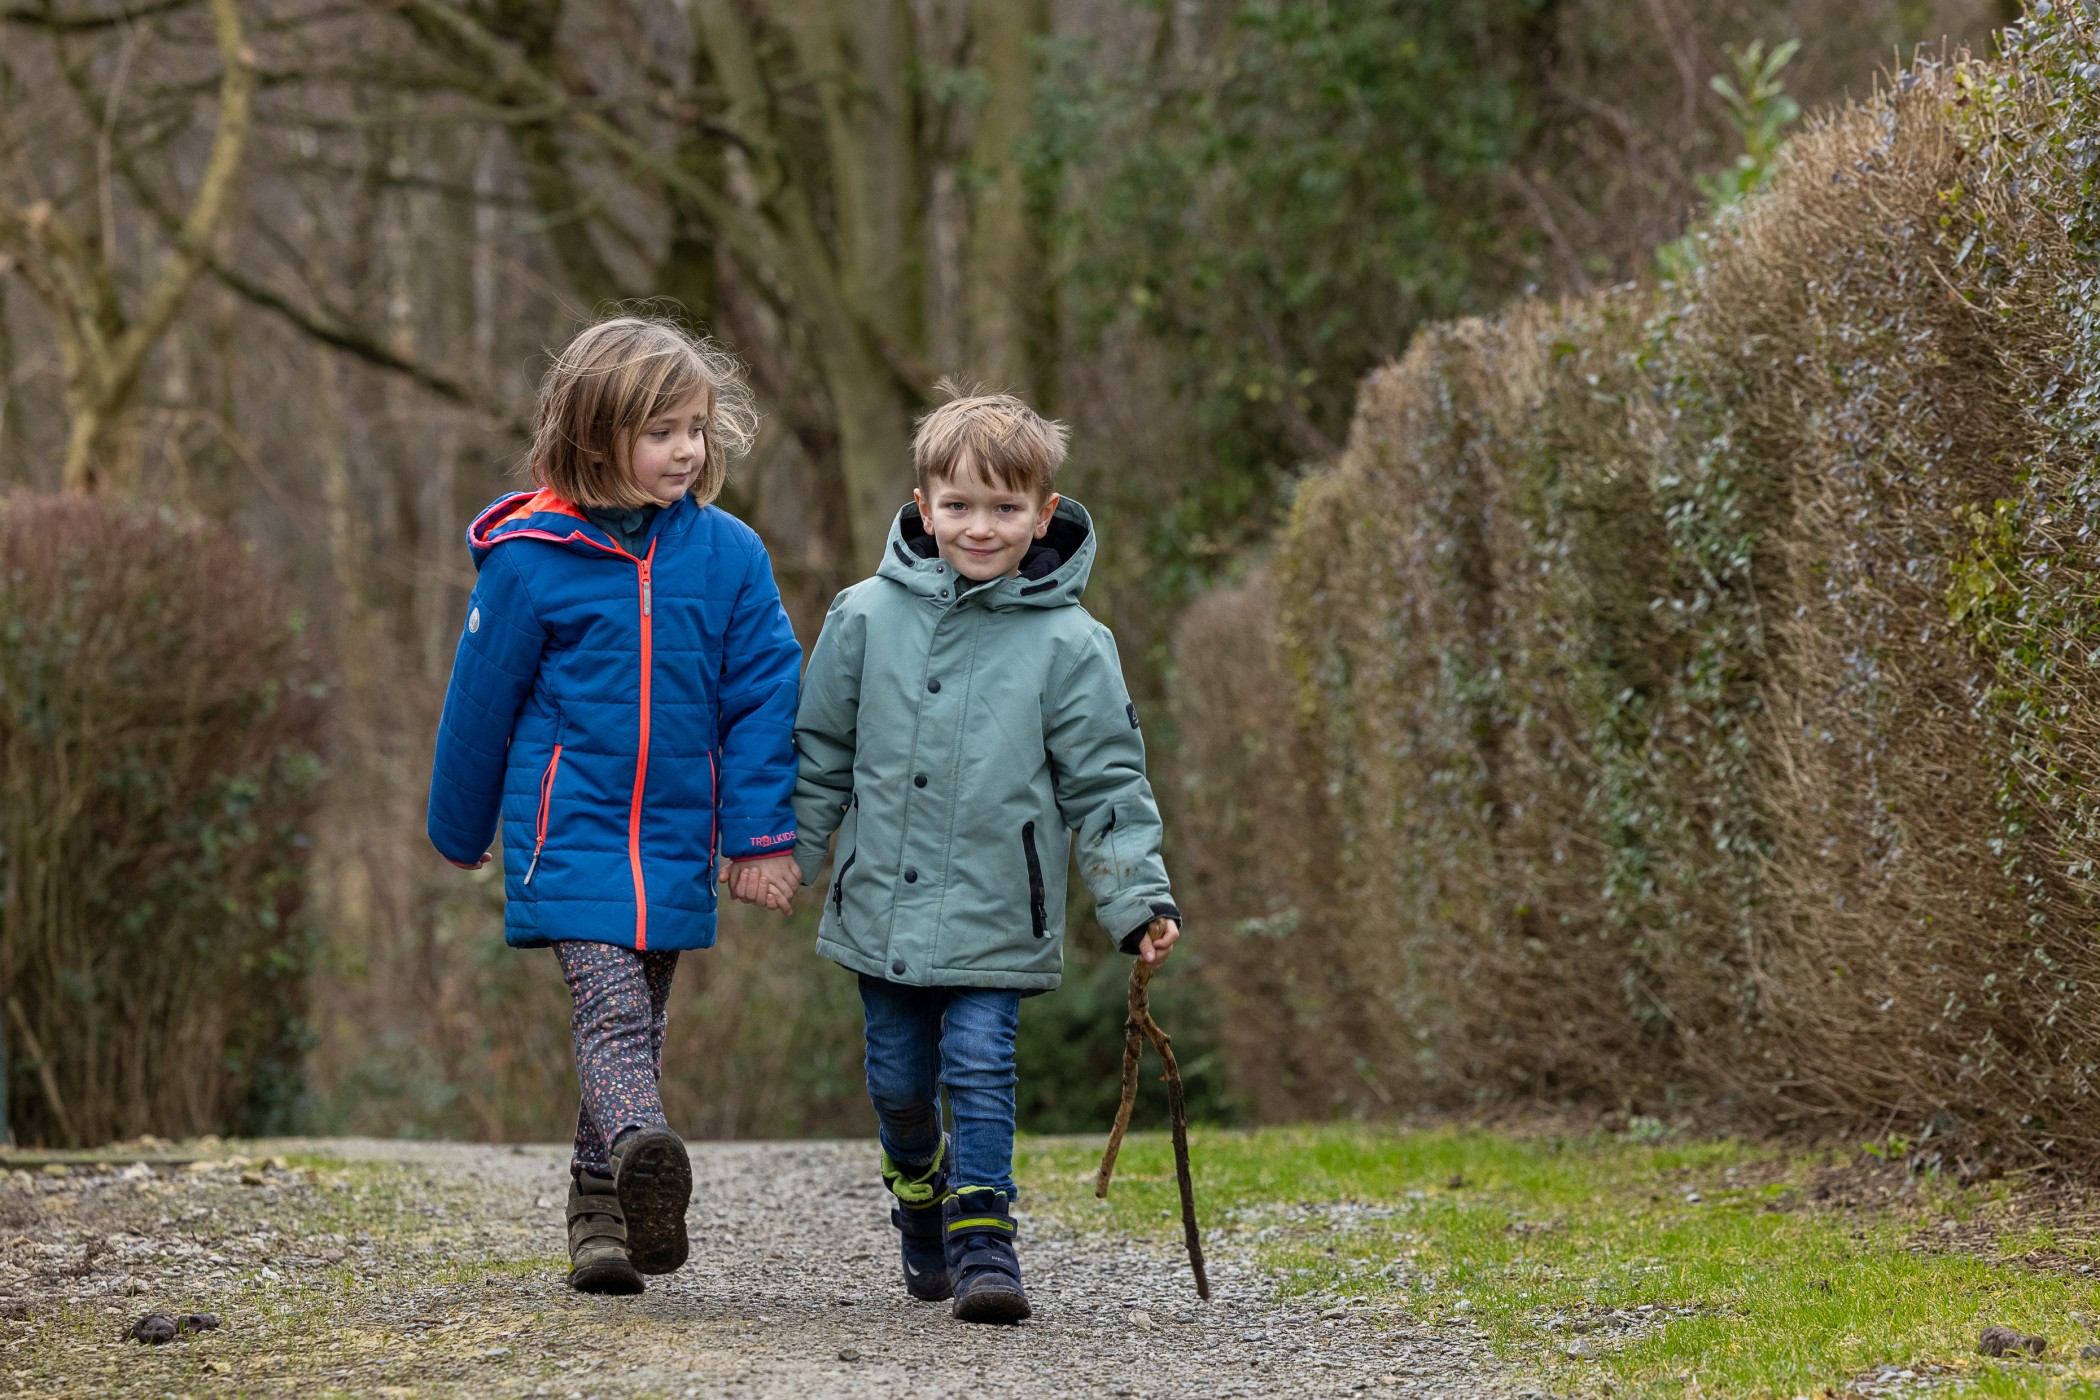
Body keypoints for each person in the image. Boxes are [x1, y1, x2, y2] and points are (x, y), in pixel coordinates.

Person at [764, 383, 1182, 1324]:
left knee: (983, 1061)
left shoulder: (1073, 643)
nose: (980, 527)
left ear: (1042, 516)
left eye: (1004, 508)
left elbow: (1106, 786)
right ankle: (920, 1190)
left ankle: (987, 1240)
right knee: (899, 1082)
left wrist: (1137, 900)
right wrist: (787, 850)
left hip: (1003, 904)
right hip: (880, 903)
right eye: (959, 505)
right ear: (922, 508)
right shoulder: (863, 616)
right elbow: (820, 748)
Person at [426, 315, 803, 1295]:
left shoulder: (728, 556)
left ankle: (602, 1211)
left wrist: (760, 834)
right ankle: (642, 1144)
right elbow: (479, 702)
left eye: (696, 428)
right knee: (608, 1007)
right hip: (571, 829)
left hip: (676, 831)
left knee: (644, 1014)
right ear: (595, 438)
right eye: (662, 431)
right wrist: (460, 828)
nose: (687, 450)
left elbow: (764, 696)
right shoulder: (530, 559)